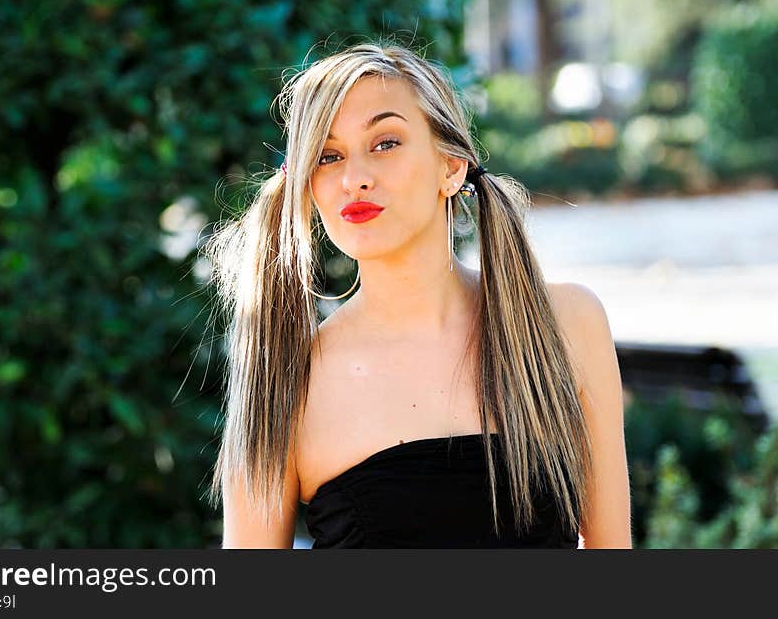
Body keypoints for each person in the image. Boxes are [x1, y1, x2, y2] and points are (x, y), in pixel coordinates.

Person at [203, 41, 632, 548]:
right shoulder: (290, 377)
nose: (354, 179)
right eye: (328, 156)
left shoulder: (566, 324)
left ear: (451, 167)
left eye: (385, 143)